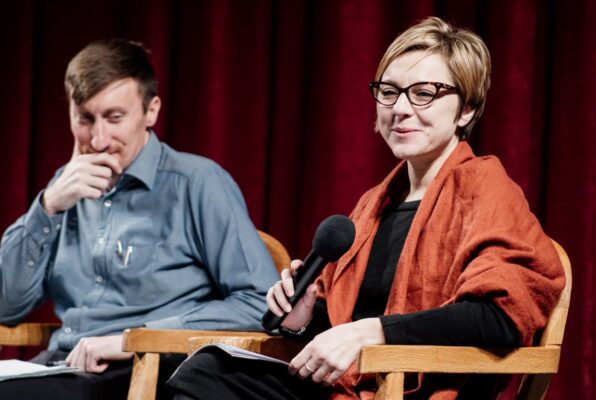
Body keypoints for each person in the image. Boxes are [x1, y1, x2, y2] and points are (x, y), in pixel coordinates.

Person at [166, 16, 566, 400]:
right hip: (346, 389)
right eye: (389, 92)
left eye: (423, 93)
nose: (400, 108)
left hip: (415, 391)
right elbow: (342, 331)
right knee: (206, 372)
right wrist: (303, 319)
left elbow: (498, 316)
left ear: (466, 109)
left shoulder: (485, 189)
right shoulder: (374, 204)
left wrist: (373, 332)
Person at [0, 38, 278, 399]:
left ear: (151, 111)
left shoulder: (197, 182)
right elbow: (6, 306)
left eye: (115, 118)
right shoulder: (63, 188)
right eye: (85, 119)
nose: (98, 140)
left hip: (145, 370)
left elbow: (259, 303)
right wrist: (48, 207)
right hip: (64, 366)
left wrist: (135, 338)